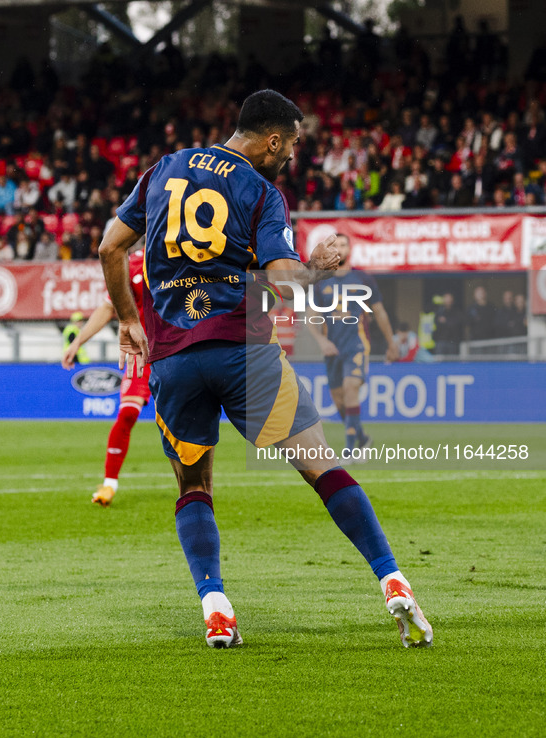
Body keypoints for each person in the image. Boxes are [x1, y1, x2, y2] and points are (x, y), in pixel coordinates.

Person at [97, 90, 432, 649]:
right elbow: (282, 281)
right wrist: (318, 270)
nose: (294, 155)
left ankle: (216, 606)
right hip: (242, 350)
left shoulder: (163, 169)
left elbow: (111, 247)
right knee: (321, 465)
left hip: (174, 357)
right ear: (273, 139)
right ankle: (391, 577)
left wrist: (130, 321)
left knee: (194, 483)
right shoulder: (261, 191)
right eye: (294, 144)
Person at [62, 249, 150, 506]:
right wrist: (77, 342)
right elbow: (107, 307)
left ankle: (194, 487)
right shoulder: (133, 263)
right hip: (141, 355)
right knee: (127, 413)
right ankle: (109, 483)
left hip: (178, 352)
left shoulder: (185, 255)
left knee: (182, 421)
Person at [309, 233, 399, 457]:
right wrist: (321, 340)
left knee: (350, 388)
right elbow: (311, 315)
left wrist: (391, 343)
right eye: (336, 245)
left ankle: (350, 452)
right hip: (332, 349)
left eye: (343, 245)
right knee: (340, 401)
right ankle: (362, 437)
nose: (339, 248)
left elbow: (379, 312)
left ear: (350, 249)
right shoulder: (321, 280)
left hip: (357, 346)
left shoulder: (363, 279)